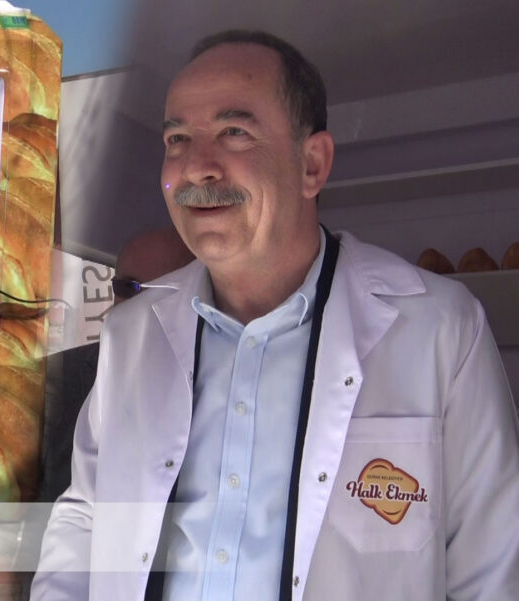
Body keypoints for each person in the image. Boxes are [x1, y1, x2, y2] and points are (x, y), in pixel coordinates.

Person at [31, 30, 519, 601]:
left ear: (312, 164)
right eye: (178, 139)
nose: (196, 168)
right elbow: (86, 518)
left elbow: (494, 567)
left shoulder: (440, 329)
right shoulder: (131, 335)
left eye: (234, 132)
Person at [38, 227, 194, 503]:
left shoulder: (219, 389)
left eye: (160, 293)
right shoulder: (52, 380)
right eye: (127, 288)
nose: (138, 306)